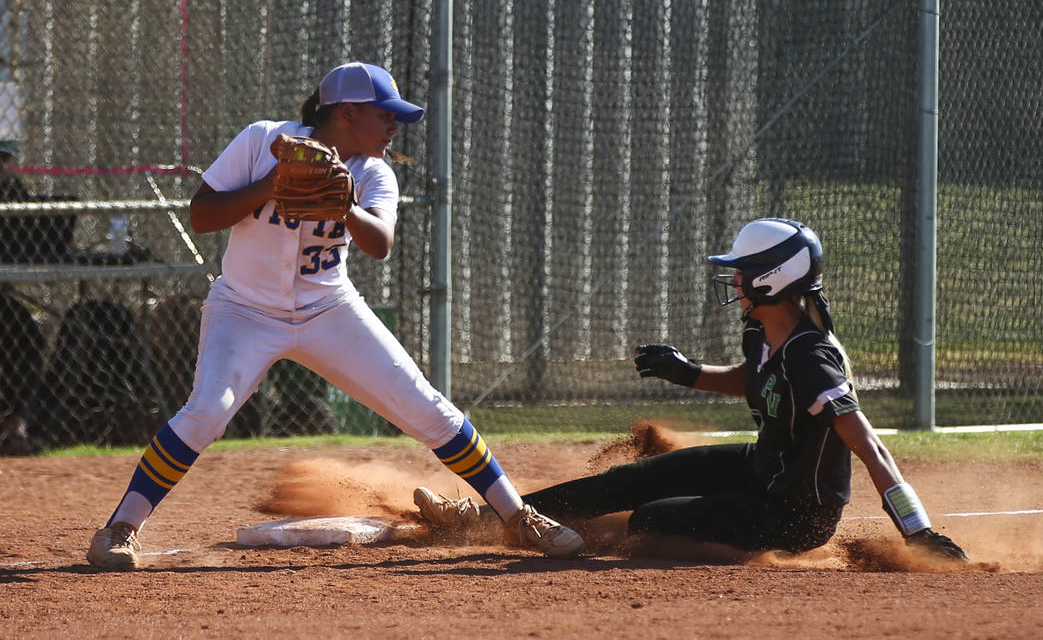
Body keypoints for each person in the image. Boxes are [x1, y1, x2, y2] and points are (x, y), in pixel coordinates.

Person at [87, 62, 584, 569]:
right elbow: (202, 214)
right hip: (245, 309)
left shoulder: (372, 172)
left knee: (427, 408)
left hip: (329, 309)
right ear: (347, 112)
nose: (395, 127)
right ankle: (120, 528)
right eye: (385, 115)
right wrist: (271, 185)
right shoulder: (264, 140)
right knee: (208, 411)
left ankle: (519, 517)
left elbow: (380, 244)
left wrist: (345, 204)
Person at [413, 218, 968, 562]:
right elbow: (752, 380)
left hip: (795, 513)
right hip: (761, 469)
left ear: (773, 279)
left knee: (652, 519)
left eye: (742, 272)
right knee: (626, 481)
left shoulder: (812, 357)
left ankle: (588, 537)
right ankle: (486, 518)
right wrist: (685, 371)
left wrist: (917, 530)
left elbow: (870, 447)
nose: (733, 281)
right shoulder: (764, 332)